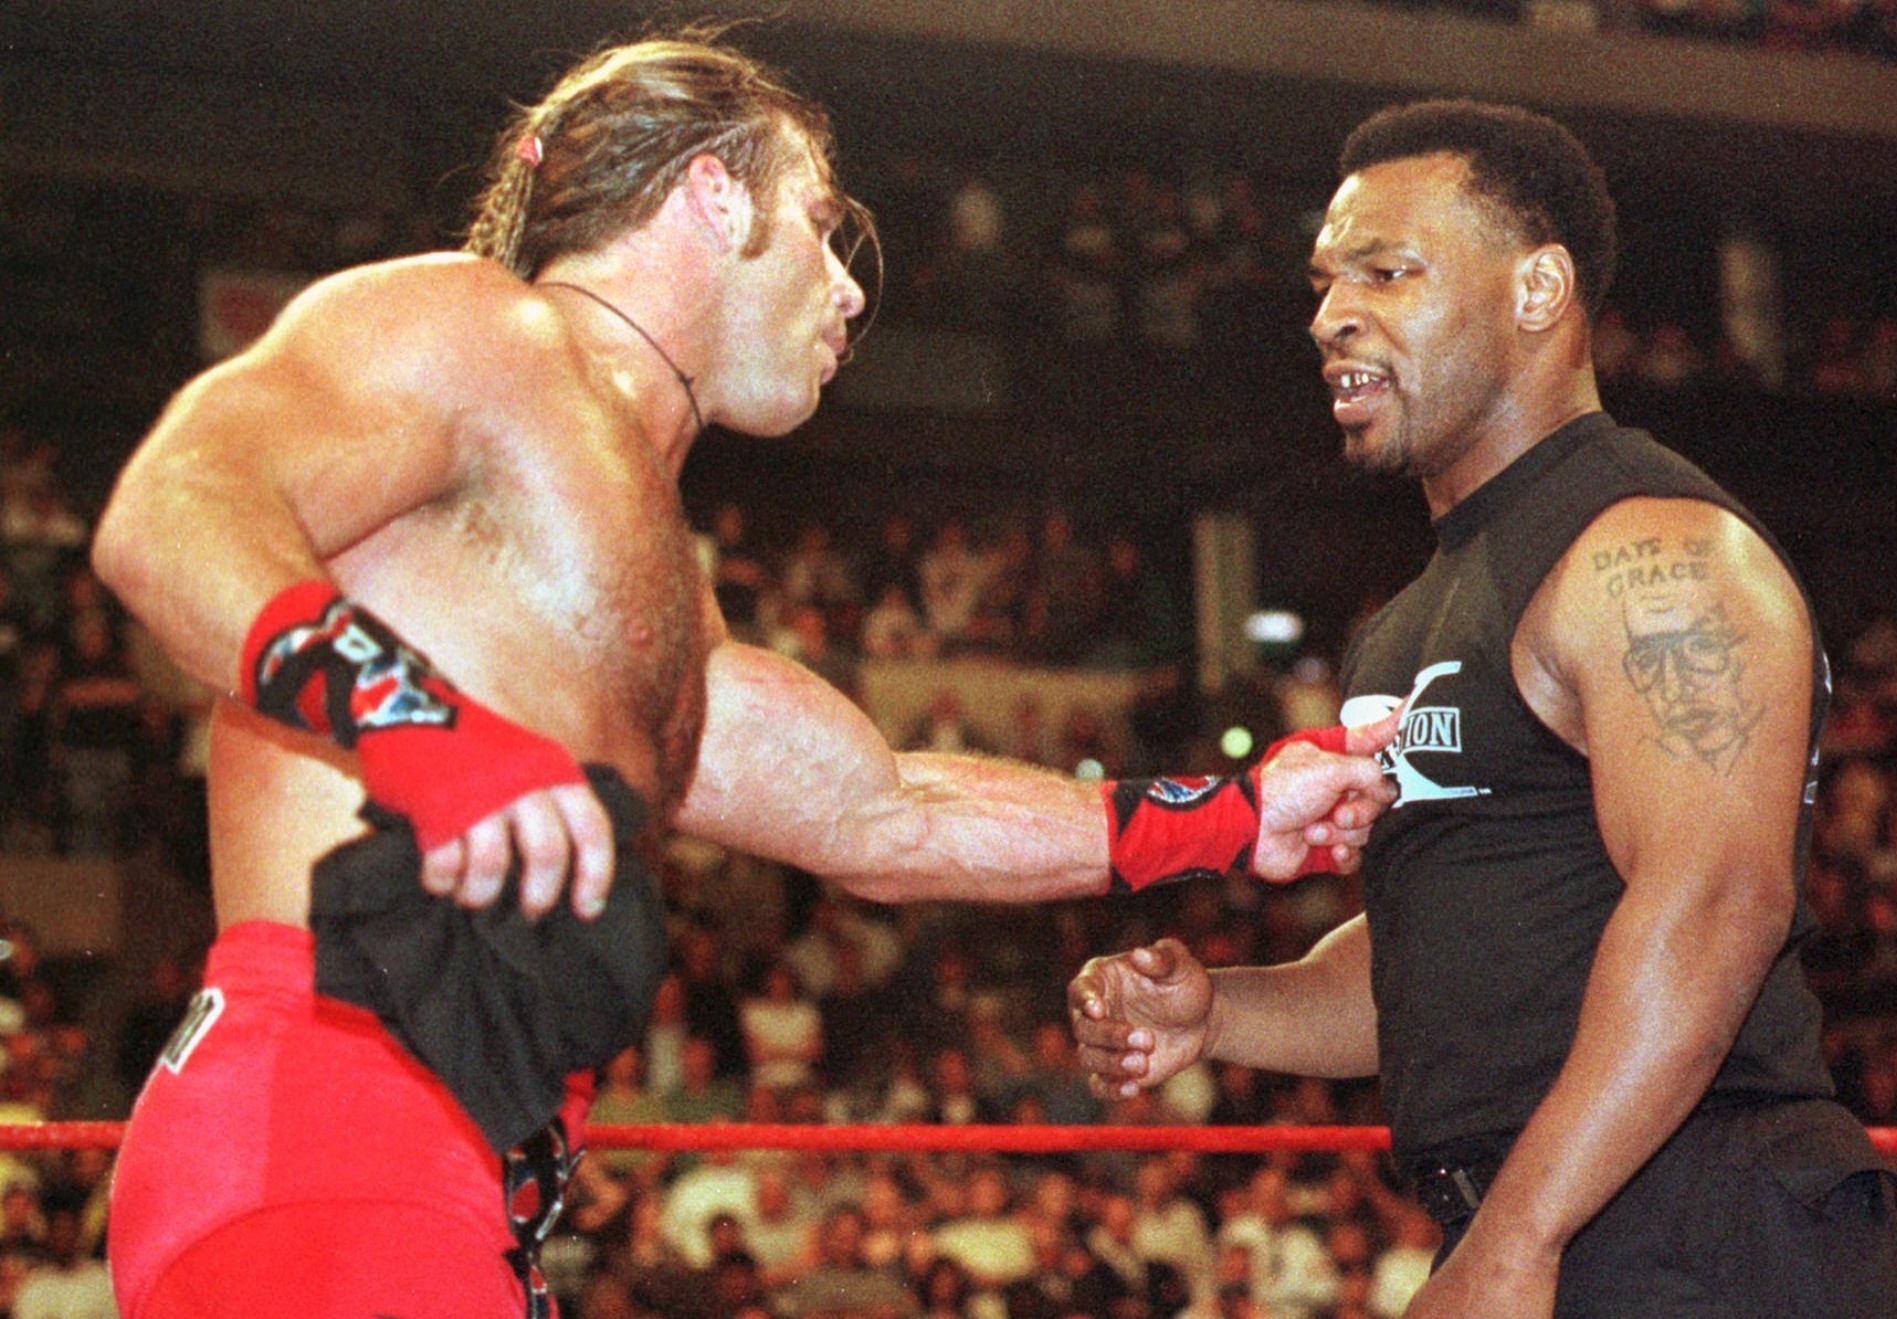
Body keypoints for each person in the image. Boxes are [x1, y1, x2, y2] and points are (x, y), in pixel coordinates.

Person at [89, 30, 1396, 1319]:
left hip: (451, 1172)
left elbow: (883, 814)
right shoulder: (479, 327)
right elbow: (176, 507)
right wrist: (414, 721)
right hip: (331, 1129)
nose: (847, 288)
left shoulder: (644, 574)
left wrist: (1237, 815)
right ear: (713, 191)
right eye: (821, 224)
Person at [1069, 100, 1897, 1318]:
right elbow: (1440, 951)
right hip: (1565, 1210)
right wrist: (1222, 1009)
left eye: (1387, 270)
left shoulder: (1658, 553)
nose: (1329, 314)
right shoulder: (1411, 618)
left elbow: (1718, 899)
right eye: (1323, 280)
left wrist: (1518, 1237)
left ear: (1537, 291)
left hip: (1693, 1217)